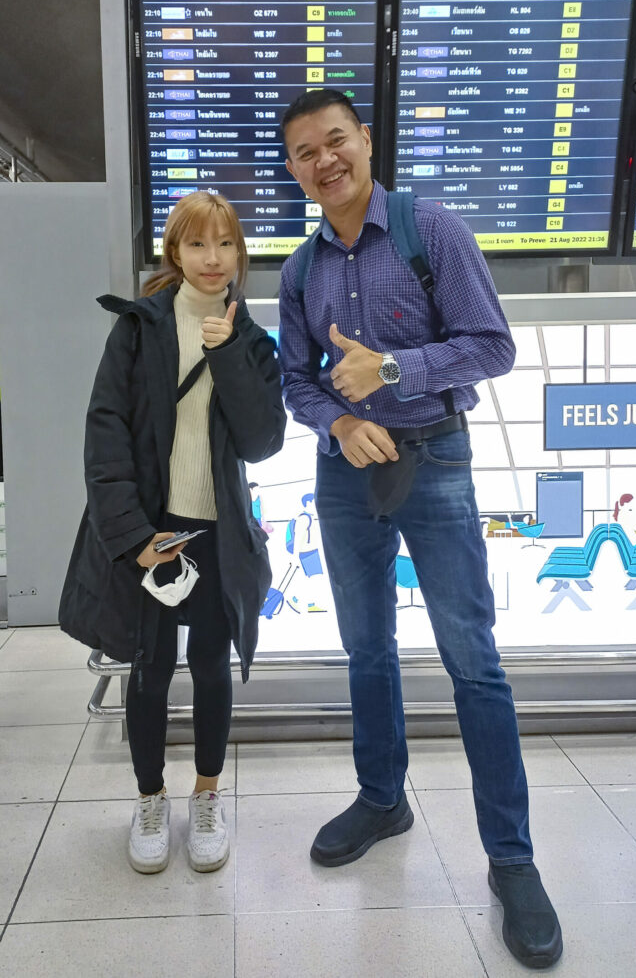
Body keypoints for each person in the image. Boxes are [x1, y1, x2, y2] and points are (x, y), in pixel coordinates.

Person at [278, 88, 562, 969]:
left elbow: (492, 344)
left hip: (435, 458)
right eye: (305, 153)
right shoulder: (301, 269)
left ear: (365, 140)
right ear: (294, 171)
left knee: (473, 662)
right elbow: (297, 379)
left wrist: (395, 369)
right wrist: (337, 419)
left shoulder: (429, 230)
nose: (324, 161)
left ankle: (512, 860)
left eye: (335, 141)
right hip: (346, 473)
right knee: (366, 650)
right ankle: (382, 799)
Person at [60, 191, 285, 875]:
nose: (213, 258)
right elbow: (105, 437)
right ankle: (150, 798)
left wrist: (228, 353)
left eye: (225, 243)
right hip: (153, 535)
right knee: (150, 669)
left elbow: (263, 441)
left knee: (212, 666)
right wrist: (134, 537)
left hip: (217, 535)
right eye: (197, 243)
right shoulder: (138, 328)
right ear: (175, 253)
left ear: (240, 253)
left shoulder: (252, 340)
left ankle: (208, 795)